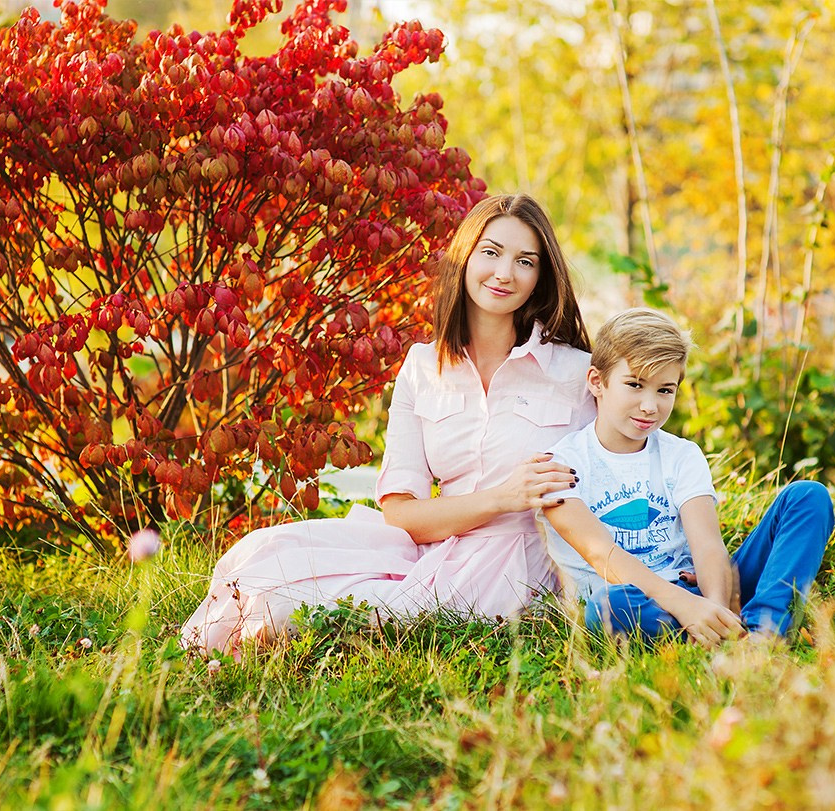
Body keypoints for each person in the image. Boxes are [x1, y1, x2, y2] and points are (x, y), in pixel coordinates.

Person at [181, 194, 595, 656]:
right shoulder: (423, 365)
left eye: (525, 261)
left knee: (309, 617)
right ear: (465, 257)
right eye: (491, 252)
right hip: (432, 547)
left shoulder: (579, 374)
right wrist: (501, 497)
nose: (504, 273)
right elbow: (400, 514)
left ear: (541, 278)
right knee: (268, 562)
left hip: (519, 563)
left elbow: (633, 471)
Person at [538, 308, 834, 645]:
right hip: (636, 601)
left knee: (807, 497)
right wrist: (687, 607)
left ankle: (762, 631)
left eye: (665, 390)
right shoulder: (561, 464)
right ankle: (714, 634)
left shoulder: (681, 455)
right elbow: (603, 556)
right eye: (635, 385)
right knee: (607, 606)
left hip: (697, 589)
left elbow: (707, 545)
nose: (649, 405)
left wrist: (714, 608)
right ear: (597, 382)